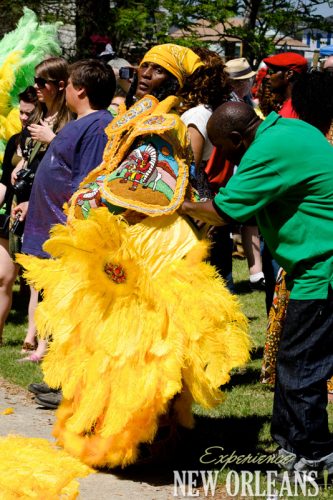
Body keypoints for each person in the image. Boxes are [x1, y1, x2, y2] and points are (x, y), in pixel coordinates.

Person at [17, 44, 250, 468]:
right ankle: (111, 424)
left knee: (151, 338)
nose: (145, 74)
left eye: (158, 71)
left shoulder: (176, 120)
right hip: (126, 231)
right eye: (144, 66)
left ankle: (153, 437)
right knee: (108, 334)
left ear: (176, 81)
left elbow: (171, 180)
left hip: (158, 239)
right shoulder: (137, 113)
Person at [179, 101, 333, 477]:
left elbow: (225, 210)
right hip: (314, 266)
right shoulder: (292, 129)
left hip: (322, 269)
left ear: (236, 138)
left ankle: (311, 455)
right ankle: (293, 446)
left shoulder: (266, 151)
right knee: (296, 361)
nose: (225, 160)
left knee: (300, 365)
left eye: (224, 151)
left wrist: (176, 206)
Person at [14, 59, 115, 367]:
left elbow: (86, 184)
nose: (64, 89)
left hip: (69, 234)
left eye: (68, 85)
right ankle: (58, 373)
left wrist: (74, 231)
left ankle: (67, 379)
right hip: (51, 228)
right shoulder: (82, 122)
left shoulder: (98, 126)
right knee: (56, 304)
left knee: (72, 309)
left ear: (80, 89)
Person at [10, 57, 72, 357]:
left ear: (59, 85)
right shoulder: (41, 113)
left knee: (51, 278)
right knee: (37, 278)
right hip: (35, 202)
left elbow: (71, 160)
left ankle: (46, 343)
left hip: (58, 206)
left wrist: (52, 138)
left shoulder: (69, 118)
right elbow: (34, 158)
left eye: (41, 82)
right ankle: (35, 338)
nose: (36, 88)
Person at [0, 86, 37, 346]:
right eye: (21, 112)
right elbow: (4, 181)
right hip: (10, 212)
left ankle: (31, 338)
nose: (23, 118)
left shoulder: (49, 140)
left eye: (29, 113)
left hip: (38, 212)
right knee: (2, 276)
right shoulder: (15, 141)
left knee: (36, 281)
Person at [224, 57, 265, 291]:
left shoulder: (246, 101)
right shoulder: (233, 104)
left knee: (250, 221)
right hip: (234, 169)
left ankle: (255, 271)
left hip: (242, 168)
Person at [263, 52, 308, 118]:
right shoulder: (298, 105)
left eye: (272, 72)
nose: (268, 76)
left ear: (289, 74)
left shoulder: (289, 113)